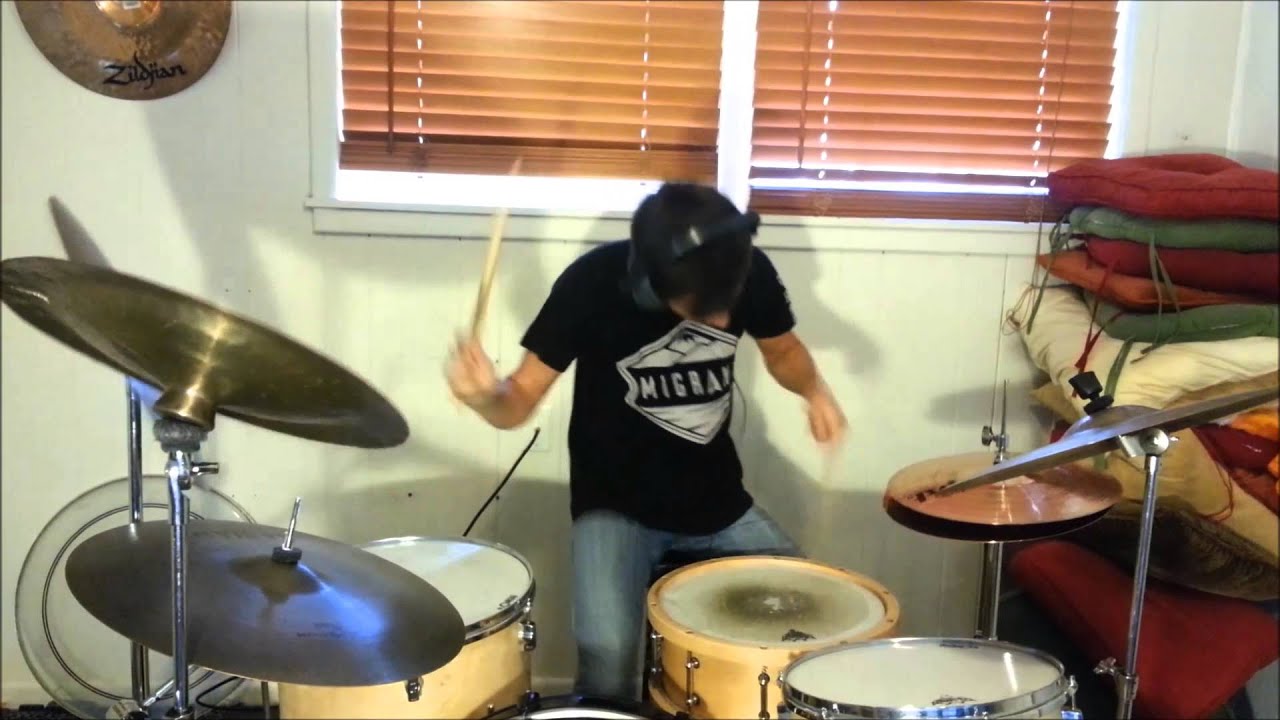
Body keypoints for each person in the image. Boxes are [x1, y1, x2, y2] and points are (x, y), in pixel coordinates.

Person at [445, 182, 846, 700]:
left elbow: (783, 350)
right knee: (607, 661)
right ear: (648, 283)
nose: (723, 322)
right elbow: (518, 400)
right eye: (703, 309)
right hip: (615, 507)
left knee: (810, 620)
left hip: (717, 502)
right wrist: (484, 397)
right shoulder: (591, 283)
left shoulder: (743, 266)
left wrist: (815, 392)